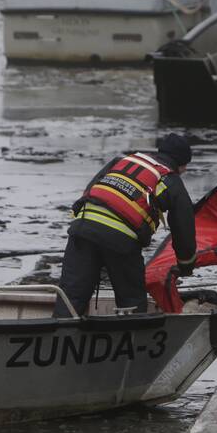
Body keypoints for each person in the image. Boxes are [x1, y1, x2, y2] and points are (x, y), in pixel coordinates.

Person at [55, 133, 197, 317]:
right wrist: (186, 266)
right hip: (121, 241)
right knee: (132, 300)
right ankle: (133, 340)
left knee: (71, 296)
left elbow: (91, 189)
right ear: (182, 165)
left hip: (82, 229)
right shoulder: (171, 180)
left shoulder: (123, 161)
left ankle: (57, 336)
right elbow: (183, 228)